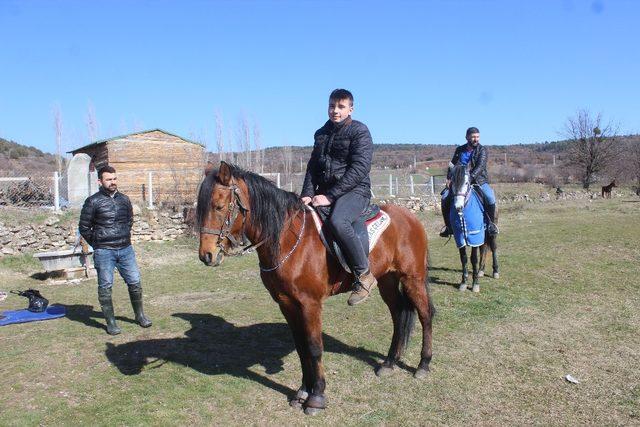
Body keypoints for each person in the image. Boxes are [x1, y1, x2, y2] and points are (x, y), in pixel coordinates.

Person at [301, 89, 377, 306]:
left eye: (341, 106)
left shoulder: (359, 131)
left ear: (350, 109)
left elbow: (360, 168)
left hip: (355, 191)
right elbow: (313, 167)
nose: (335, 110)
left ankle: (364, 275)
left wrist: (330, 196)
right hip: (324, 192)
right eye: (332, 106)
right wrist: (307, 193)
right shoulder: (321, 133)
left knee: (338, 221)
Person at [79, 165, 152, 335]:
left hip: (126, 249)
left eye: (114, 179)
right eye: (109, 179)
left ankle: (140, 315)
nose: (113, 182)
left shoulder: (124, 200)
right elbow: (84, 227)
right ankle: (111, 323)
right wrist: (97, 243)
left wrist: (124, 236)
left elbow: (129, 221)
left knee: (135, 282)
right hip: (104, 252)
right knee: (105, 286)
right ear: (100, 181)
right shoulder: (92, 201)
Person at [440, 127, 499, 237]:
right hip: (458, 182)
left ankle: (491, 224)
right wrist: (449, 178)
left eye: (477, 137)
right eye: (473, 137)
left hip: (479, 180)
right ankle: (448, 227)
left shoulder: (482, 150)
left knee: (490, 197)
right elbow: (452, 165)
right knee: (444, 197)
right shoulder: (459, 150)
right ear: (467, 137)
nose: (476, 139)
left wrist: (469, 179)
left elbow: (480, 167)